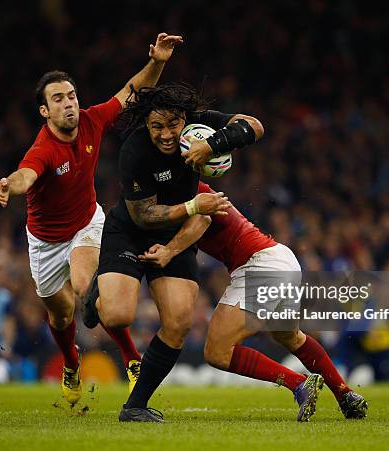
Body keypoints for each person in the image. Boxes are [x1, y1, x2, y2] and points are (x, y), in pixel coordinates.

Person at [0, 33, 183, 406]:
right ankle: (71, 361)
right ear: (45, 111)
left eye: (71, 95)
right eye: (58, 99)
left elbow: (132, 91)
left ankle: (132, 359)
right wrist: (8, 185)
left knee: (84, 284)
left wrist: (158, 62)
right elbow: (25, 175)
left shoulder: (93, 121)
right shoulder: (44, 149)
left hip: (86, 223)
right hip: (44, 241)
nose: (69, 104)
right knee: (61, 316)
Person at [82, 82, 263, 422]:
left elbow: (254, 126)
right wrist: (195, 204)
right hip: (131, 230)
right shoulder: (134, 151)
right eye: (157, 126)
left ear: (185, 118)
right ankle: (98, 292)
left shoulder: (199, 125)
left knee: (179, 322)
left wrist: (212, 144)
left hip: (176, 235)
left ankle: (134, 406)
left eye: (173, 125)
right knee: (118, 316)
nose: (167, 134)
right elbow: (144, 215)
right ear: (146, 124)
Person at [139, 181, 369, 421]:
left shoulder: (188, 190)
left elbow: (202, 219)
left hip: (259, 265)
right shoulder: (185, 189)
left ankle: (298, 383)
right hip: (279, 257)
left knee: (217, 352)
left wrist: (169, 250)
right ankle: (345, 394)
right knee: (289, 336)